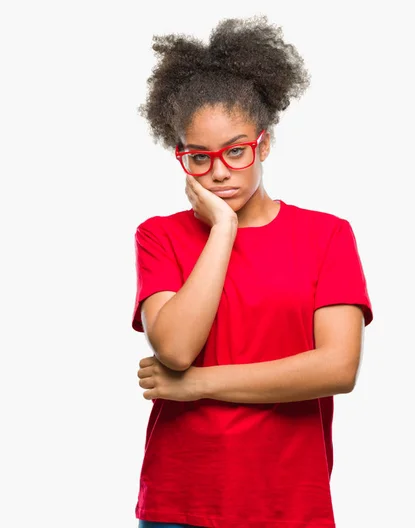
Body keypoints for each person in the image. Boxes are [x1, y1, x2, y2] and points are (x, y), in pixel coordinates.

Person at [132, 16, 373, 528]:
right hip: (182, 500)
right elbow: (174, 348)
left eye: (235, 151)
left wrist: (195, 385)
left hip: (286, 502)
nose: (219, 171)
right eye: (199, 157)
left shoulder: (326, 236)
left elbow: (337, 369)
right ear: (182, 157)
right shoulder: (159, 236)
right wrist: (221, 229)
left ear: (264, 145)